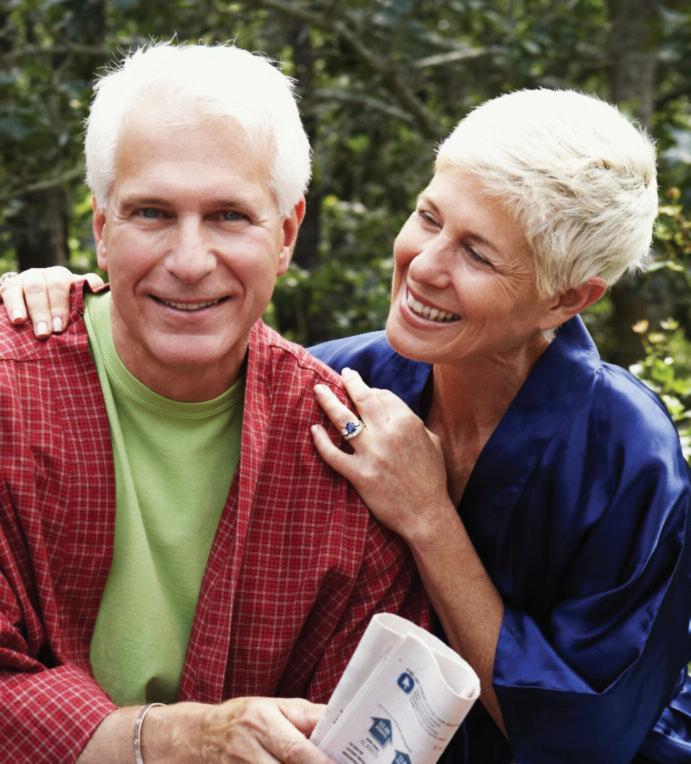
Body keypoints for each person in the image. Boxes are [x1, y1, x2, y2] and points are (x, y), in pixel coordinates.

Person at [5, 91, 690, 763]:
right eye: (428, 218)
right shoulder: (344, 381)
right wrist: (79, 302)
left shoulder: (628, 453)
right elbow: (191, 323)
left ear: (567, 298)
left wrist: (428, 518)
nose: (425, 265)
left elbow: (589, 736)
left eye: (477, 255)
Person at [0, 42, 428, 764]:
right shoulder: (13, 390)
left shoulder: (346, 458)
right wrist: (177, 739)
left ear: (286, 235)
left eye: (229, 215)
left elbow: (359, 731)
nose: (190, 261)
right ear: (102, 229)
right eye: (152, 213)